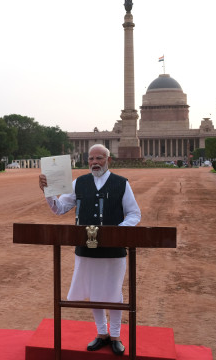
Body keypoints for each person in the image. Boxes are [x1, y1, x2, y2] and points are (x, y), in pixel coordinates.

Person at [38, 144, 141, 356]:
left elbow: (134, 214)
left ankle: (115, 335)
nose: (95, 162)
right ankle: (102, 333)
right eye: (91, 159)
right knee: (94, 293)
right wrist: (48, 192)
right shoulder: (79, 183)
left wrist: (117, 233)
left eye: (99, 158)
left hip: (113, 249)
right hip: (86, 248)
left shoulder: (121, 184)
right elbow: (59, 208)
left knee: (113, 293)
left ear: (108, 160)